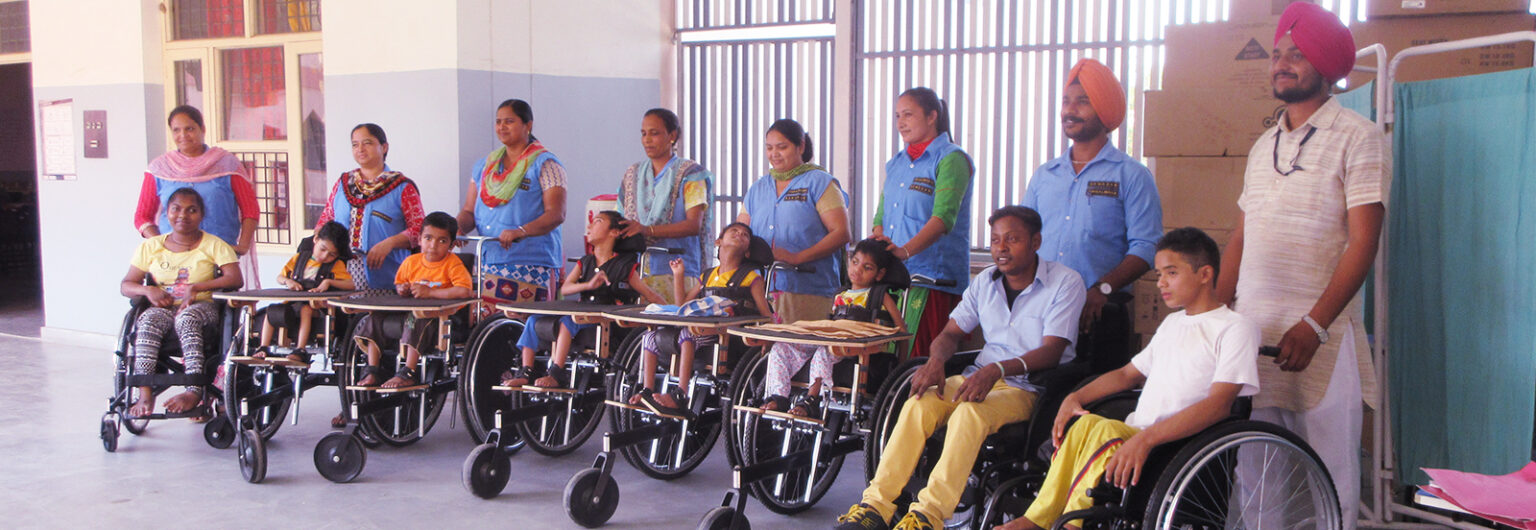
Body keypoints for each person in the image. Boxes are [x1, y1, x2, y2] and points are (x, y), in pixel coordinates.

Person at [1218, 5, 1385, 527]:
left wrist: (1314, 324)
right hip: (1256, 338)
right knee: (1256, 479)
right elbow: (1241, 237)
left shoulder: (1360, 137)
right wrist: (1212, 317)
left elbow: (1363, 243)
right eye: (1277, 54)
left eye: (1297, 54)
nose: (1282, 64)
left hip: (1320, 343)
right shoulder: (1262, 145)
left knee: (1330, 479)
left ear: (1327, 66)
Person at [837, 206, 1085, 530]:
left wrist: (996, 370)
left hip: (1028, 386)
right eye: (995, 240)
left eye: (1012, 239)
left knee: (969, 413)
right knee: (918, 403)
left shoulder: (1065, 282)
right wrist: (935, 361)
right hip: (977, 376)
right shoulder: (985, 282)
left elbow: (1052, 351)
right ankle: (875, 507)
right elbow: (951, 332)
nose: (1001, 248)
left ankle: (927, 516)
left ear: (1036, 241)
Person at [1001, 228, 1261, 530]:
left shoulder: (1234, 327)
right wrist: (1075, 398)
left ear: (1204, 274)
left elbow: (1219, 405)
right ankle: (1038, 518)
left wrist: (1147, 439)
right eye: (1159, 273)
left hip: (1179, 442)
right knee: (1085, 422)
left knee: (1103, 429)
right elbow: (1127, 375)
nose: (1161, 282)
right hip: (1134, 433)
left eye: (1171, 273)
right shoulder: (1173, 323)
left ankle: (1061, 523)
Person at [1021, 58, 1163, 374]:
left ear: (1104, 109)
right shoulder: (1045, 175)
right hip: (1040, 311)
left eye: (1082, 102)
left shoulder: (1131, 175)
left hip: (1098, 316)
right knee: (1030, 401)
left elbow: (1147, 246)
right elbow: (1021, 240)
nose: (1070, 111)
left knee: (1089, 409)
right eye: (1066, 102)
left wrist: (1102, 289)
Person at [501, 211, 666, 390]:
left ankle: (557, 372)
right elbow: (566, 289)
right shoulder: (586, 262)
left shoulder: (623, 266)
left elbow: (649, 294)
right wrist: (588, 285)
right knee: (533, 320)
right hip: (583, 309)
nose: (590, 227)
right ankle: (526, 371)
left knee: (567, 321)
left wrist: (672, 312)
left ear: (614, 232)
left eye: (598, 222)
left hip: (605, 318)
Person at [121, 188, 244, 419]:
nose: (183, 216)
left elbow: (235, 278)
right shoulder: (151, 246)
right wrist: (148, 290)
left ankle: (193, 389)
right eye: (176, 209)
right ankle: (145, 392)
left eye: (192, 210)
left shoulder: (214, 245)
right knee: (147, 319)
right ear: (166, 213)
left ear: (201, 214)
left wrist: (196, 288)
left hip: (203, 307)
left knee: (188, 319)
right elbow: (126, 284)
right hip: (164, 307)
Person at [870, 87, 974, 358]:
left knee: (917, 363)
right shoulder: (896, 163)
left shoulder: (952, 159)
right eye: (896, 116)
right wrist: (880, 247)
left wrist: (905, 252)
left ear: (932, 117)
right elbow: (880, 217)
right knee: (883, 364)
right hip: (893, 279)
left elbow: (942, 219)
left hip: (932, 281)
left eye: (908, 115)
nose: (900, 123)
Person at [628, 222, 773, 415]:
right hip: (704, 329)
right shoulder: (706, 276)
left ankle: (680, 394)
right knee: (650, 337)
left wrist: (767, 338)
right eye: (734, 231)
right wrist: (678, 276)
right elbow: (683, 307)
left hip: (729, 336)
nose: (740, 234)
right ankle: (647, 389)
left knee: (688, 334)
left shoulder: (751, 277)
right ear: (718, 241)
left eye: (745, 235)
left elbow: (765, 313)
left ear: (748, 252)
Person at [758, 238, 905, 417]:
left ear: (879, 274)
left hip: (856, 347)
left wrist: (901, 367)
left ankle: (812, 399)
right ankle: (779, 397)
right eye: (855, 262)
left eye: (867, 268)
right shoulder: (839, 294)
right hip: (833, 340)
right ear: (849, 260)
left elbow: (901, 331)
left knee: (823, 352)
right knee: (781, 349)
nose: (858, 270)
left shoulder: (879, 296)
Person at [737, 119, 851, 323]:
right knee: (761, 352)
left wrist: (798, 257)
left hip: (808, 288)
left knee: (803, 349)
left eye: (782, 147)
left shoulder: (819, 182)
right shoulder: (757, 188)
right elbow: (740, 230)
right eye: (769, 148)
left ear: (801, 146)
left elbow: (841, 233)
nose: (774, 154)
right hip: (760, 288)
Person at [135, 105, 261, 288]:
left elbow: (250, 210)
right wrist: (160, 244)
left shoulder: (227, 164)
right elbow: (142, 217)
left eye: (190, 129)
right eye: (176, 130)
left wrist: (243, 245)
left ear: (203, 129)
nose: (183, 135)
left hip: (217, 257)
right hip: (170, 261)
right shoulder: (159, 168)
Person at [458, 99, 567, 308]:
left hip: (531, 263)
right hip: (489, 261)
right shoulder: (484, 166)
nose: (501, 127)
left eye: (509, 121)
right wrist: (456, 227)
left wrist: (521, 231)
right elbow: (468, 211)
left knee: (524, 330)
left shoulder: (546, 164)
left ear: (528, 125)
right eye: (498, 122)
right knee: (488, 331)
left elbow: (556, 214)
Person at [351, 212, 473, 389]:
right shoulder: (411, 262)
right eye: (428, 238)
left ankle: (408, 372)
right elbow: (400, 285)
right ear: (419, 239)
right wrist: (403, 289)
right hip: (410, 311)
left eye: (442, 241)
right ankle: (372, 370)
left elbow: (464, 291)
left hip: (440, 319)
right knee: (375, 317)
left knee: (415, 318)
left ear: (452, 245)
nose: (433, 245)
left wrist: (430, 293)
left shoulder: (452, 264)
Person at [616, 108, 716, 303]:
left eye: (654, 133)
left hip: (678, 271)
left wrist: (646, 230)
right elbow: (620, 219)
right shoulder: (632, 175)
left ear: (672, 135)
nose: (647, 140)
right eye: (643, 134)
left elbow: (693, 225)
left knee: (674, 330)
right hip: (637, 272)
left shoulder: (691, 174)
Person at [314, 123, 425, 293]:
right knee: (344, 319)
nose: (360, 149)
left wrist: (389, 243)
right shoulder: (343, 183)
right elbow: (326, 220)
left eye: (367, 143)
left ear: (384, 147)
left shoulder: (401, 187)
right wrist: (318, 239)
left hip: (389, 275)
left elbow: (420, 230)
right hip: (340, 275)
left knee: (378, 319)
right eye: (355, 144)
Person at [252, 221, 356, 363]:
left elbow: (351, 285)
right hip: (293, 303)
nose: (325, 256)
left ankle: (300, 350)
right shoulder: (298, 259)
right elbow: (280, 277)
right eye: (322, 249)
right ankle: (263, 347)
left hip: (317, 308)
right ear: (316, 240)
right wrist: (288, 281)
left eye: (331, 254)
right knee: (272, 310)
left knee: (305, 310)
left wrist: (329, 282)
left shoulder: (336, 265)